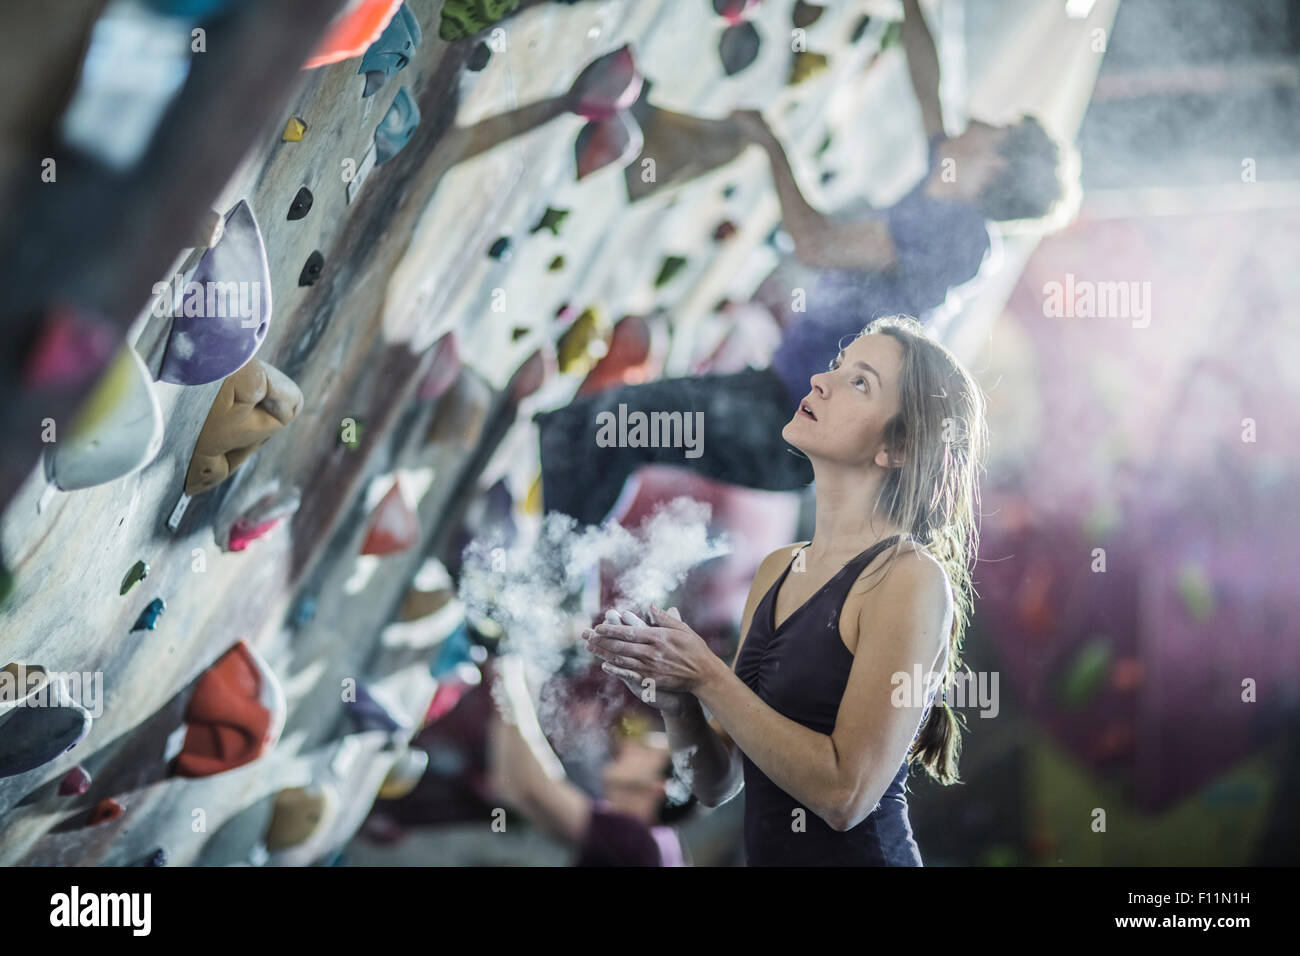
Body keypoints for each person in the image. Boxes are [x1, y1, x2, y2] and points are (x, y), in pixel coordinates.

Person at [534, 0, 1068, 527]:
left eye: (995, 126)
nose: (977, 117)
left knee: (605, 428)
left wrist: (771, 144)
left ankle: (550, 582)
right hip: (780, 400)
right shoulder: (949, 182)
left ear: (997, 162)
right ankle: (552, 576)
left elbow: (816, 244)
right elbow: (931, 81)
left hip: (789, 425)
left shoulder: (958, 237)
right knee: (606, 432)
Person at [585, 315, 987, 865]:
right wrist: (680, 697)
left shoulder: (908, 579)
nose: (822, 380)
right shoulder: (779, 569)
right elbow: (717, 784)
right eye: (838, 367)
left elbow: (845, 796)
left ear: (896, 447)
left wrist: (708, 674)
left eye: (860, 382)